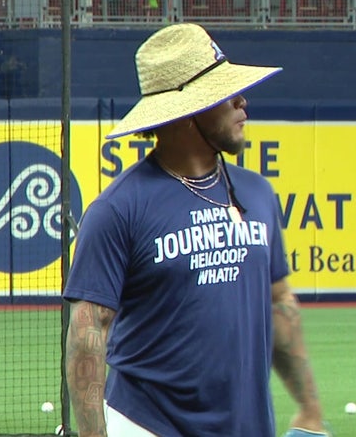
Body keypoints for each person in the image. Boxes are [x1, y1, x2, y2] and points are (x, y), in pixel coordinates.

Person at [63, 23, 331, 436]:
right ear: (188, 114)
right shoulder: (117, 209)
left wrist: (310, 409)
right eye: (225, 94)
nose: (243, 100)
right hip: (145, 425)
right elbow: (87, 329)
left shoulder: (257, 193)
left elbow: (280, 304)